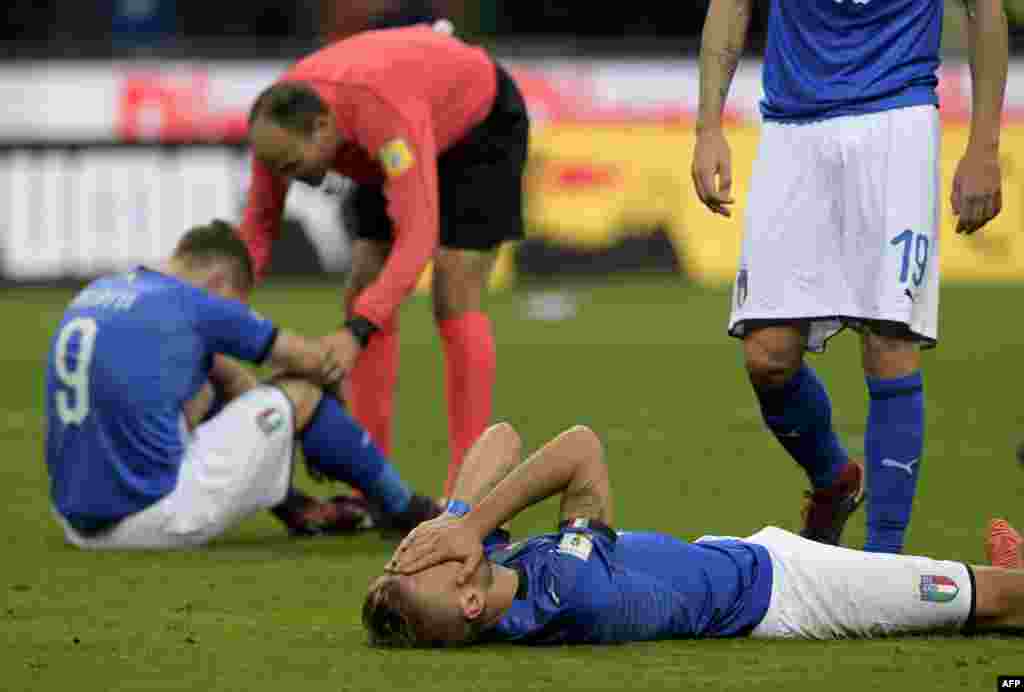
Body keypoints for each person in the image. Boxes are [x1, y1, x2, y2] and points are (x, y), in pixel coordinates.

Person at [690, 0, 1008, 553]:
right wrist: (708, 128)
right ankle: (834, 481)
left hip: (896, 121)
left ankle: (883, 561)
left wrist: (984, 145)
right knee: (767, 357)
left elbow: (985, 12)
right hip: (793, 126)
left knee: (889, 340)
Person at [364, 423, 1024, 647]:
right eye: (420, 567)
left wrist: (451, 515)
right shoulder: (569, 593)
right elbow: (582, 449)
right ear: (467, 602)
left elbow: (501, 436)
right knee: (998, 601)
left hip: (742, 554)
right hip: (793, 596)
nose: (426, 553)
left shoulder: (493, 576)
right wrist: (472, 524)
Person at [240, 22, 530, 497]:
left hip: (478, 128)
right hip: (386, 137)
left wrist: (357, 332)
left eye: (292, 167)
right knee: (364, 284)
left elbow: (418, 237)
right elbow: (258, 227)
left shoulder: (382, 112)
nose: (284, 177)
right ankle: (372, 484)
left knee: (453, 293)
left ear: (323, 128)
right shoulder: (277, 131)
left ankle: (470, 488)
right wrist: (218, 310)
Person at [44, 220, 439, 550]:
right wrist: (325, 398)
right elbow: (314, 361)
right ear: (219, 281)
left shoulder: (100, 290)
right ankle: (405, 508)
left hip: (75, 525)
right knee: (301, 396)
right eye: (236, 300)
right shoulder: (196, 305)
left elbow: (225, 383)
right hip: (149, 518)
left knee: (213, 383)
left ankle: (298, 508)